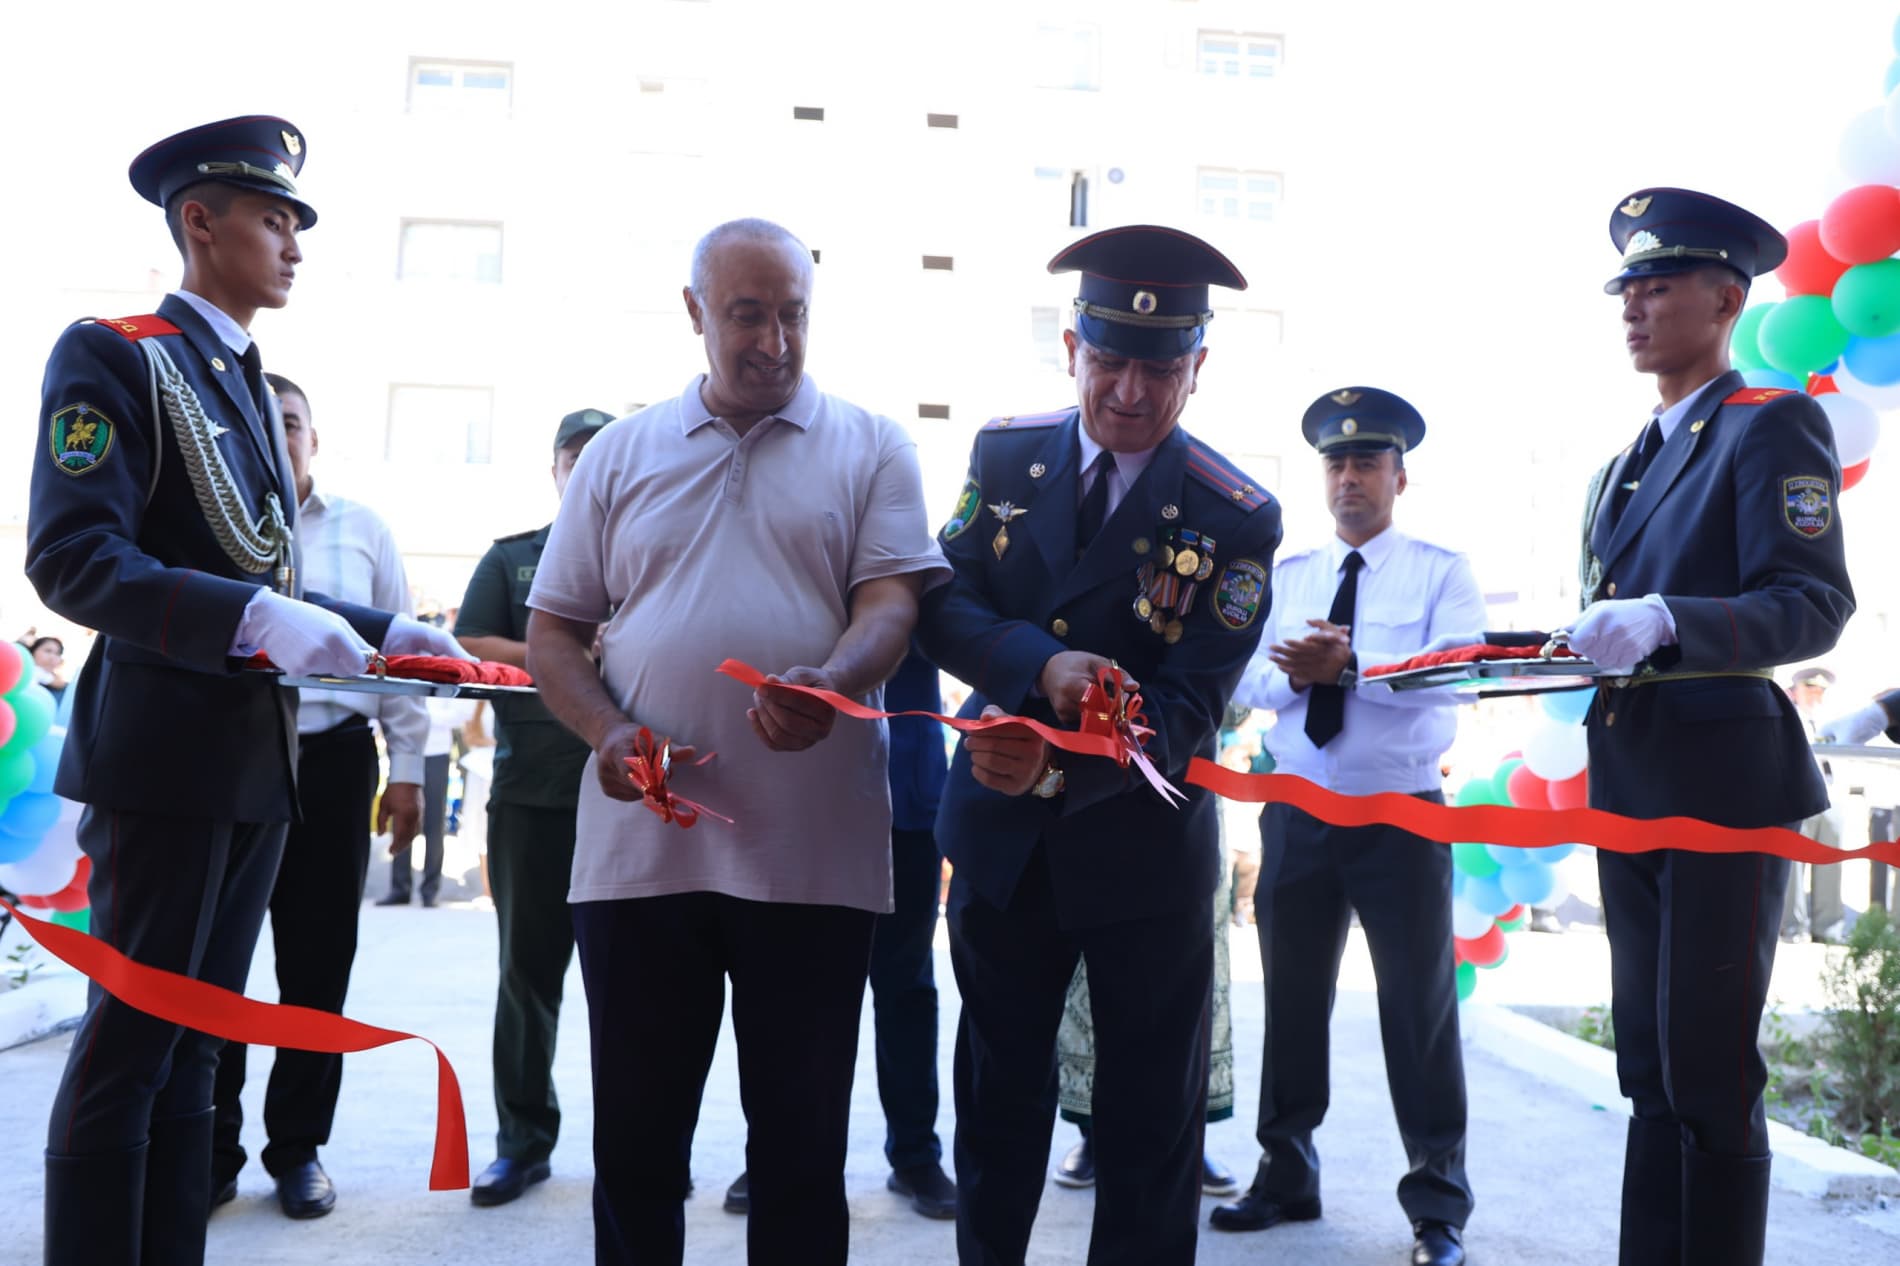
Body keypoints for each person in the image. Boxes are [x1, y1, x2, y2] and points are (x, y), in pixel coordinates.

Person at [24, 116, 468, 1266]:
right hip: (165, 756)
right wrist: (258, 622)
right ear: (198, 220)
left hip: (253, 763)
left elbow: (258, 562)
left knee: (198, 1046)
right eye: (273, 219)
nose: (294, 246)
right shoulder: (117, 353)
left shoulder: (241, 378)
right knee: (130, 1046)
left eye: (295, 223)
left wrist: (390, 630)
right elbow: (77, 557)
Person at [524, 217, 947, 1265]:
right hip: (639, 858)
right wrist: (607, 730)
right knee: (634, 1149)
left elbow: (891, 603)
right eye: (746, 315)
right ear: (693, 313)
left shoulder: (872, 443)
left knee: (802, 1158)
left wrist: (839, 680)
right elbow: (553, 630)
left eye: (793, 314)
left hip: (810, 860)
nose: (774, 341)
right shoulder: (619, 454)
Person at [916, 224, 1282, 1266]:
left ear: (1196, 369)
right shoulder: (1002, 454)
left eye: (1158, 368)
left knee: (1145, 1128)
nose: (1129, 390)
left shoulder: (1233, 512)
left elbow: (1192, 702)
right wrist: (1038, 678)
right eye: (1109, 360)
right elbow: (945, 607)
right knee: (995, 1101)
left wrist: (1064, 749)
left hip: (1141, 858)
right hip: (1000, 843)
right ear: (1072, 349)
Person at [1566, 189, 1854, 1264]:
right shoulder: (1619, 466)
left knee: (1707, 1065)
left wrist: (1665, 621)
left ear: (1727, 299)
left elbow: (1809, 602)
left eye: (1657, 285)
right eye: (1626, 288)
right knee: (1643, 1063)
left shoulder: (1767, 424)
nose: (1633, 306)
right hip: (1632, 782)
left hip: (1725, 787)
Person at [1208, 388, 1484, 1266]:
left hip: (1399, 813)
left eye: (1368, 462)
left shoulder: (1442, 570)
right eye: (1337, 462)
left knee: (1418, 1010)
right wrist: (1299, 676)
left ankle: (1436, 1207)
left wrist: (1356, 666)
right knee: (1292, 1003)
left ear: (1400, 476)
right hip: (1298, 808)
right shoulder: (1287, 578)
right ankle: (1285, 1172)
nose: (1351, 476)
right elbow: (1241, 680)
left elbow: (1460, 681)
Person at [209, 372, 430, 1218]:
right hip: (232, 761)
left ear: (313, 436)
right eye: (268, 422)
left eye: (294, 420)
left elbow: (402, 659)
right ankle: (213, 1147)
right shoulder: (214, 531)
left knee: (316, 966)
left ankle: (297, 1150)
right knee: (217, 968)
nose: (284, 433)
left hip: (335, 764)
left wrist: (407, 772)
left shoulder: (363, 529)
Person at [723, 648, 960, 1221]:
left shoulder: (913, 559)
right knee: (794, 987)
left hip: (905, 792)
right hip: (803, 792)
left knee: (905, 983)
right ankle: (780, 1152)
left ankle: (915, 1154)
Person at [453, 406, 611, 1207]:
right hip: (534, 798)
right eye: (574, 458)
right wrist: (562, 651)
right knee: (527, 978)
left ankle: (642, 1144)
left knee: (645, 987)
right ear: (554, 470)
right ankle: (522, 1142)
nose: (588, 470)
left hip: (633, 802)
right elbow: (470, 644)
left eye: (604, 456)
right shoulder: (514, 559)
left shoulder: (660, 554)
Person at [378, 689, 472, 906]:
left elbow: (460, 712)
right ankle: (399, 887)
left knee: (434, 820)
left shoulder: (446, 663)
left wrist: (419, 715)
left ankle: (431, 889)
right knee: (400, 815)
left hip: (437, 751)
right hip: (405, 748)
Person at [1781, 666, 1846, 942]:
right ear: (1796, 691)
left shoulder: (1832, 720)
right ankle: (1793, 927)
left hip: (1831, 797)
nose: (1815, 695)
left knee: (1831, 861)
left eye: (1820, 690)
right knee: (1793, 867)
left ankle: (1827, 928)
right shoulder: (1788, 717)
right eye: (1810, 689)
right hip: (1798, 797)